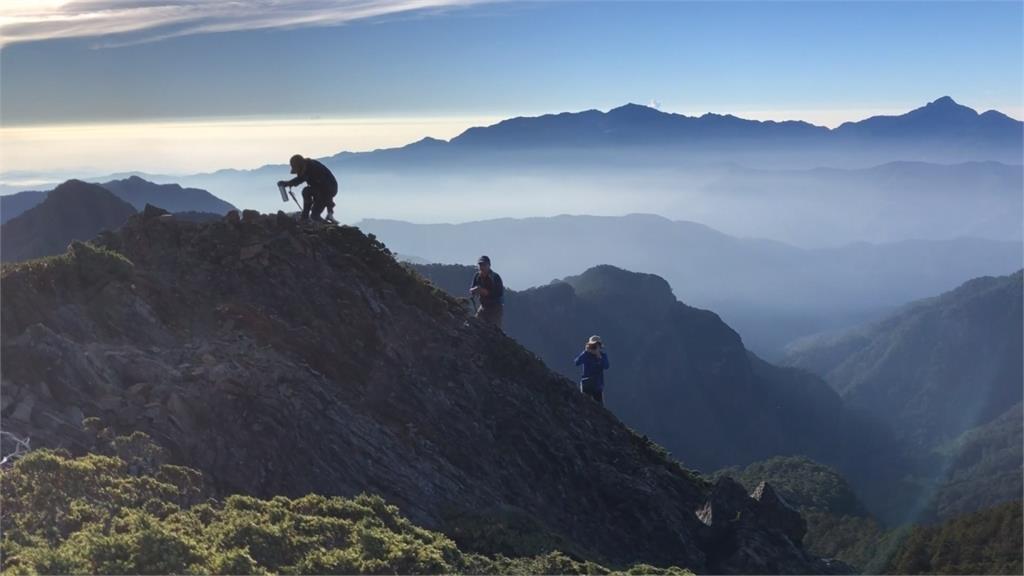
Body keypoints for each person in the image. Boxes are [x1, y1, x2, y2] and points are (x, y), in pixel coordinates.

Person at [277, 154, 338, 222]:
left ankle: (308, 218)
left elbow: (327, 190)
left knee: (314, 216)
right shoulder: (308, 167)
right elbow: (301, 179)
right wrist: (287, 183)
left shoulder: (314, 169)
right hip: (321, 191)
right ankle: (305, 217)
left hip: (327, 191)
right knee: (306, 192)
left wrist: (330, 210)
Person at [469, 255, 504, 328]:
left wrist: (485, 292)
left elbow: (499, 293)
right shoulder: (477, 276)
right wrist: (475, 290)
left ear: (489, 265)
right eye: (480, 265)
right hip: (484, 306)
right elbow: (471, 290)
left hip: (495, 308)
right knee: (475, 325)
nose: (482, 267)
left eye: (484, 265)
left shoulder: (495, 277)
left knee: (496, 330)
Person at [575, 335, 610, 405]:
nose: (594, 348)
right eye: (593, 346)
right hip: (587, 384)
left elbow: (606, 366)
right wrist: (585, 352)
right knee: (584, 405)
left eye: (596, 346)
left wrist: (599, 357)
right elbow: (577, 362)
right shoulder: (586, 355)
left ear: (600, 347)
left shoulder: (603, 356)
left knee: (600, 409)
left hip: (597, 386)